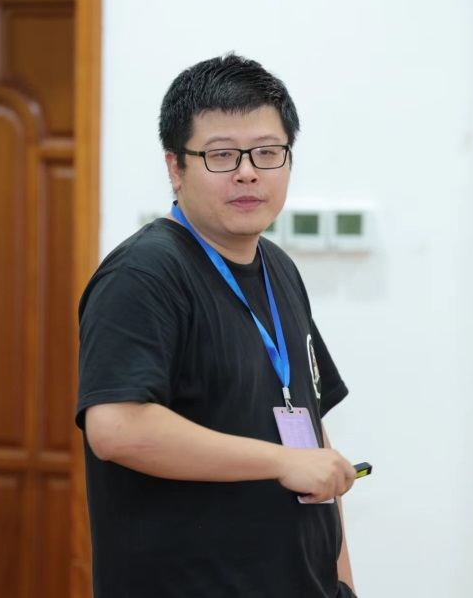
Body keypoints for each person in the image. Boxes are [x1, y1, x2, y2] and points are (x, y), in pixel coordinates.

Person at [76, 53, 359, 598]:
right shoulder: (144, 273)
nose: (248, 172)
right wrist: (281, 462)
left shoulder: (279, 267)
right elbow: (115, 428)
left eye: (268, 153)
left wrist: (342, 583)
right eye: (222, 155)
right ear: (175, 167)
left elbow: (312, 434)